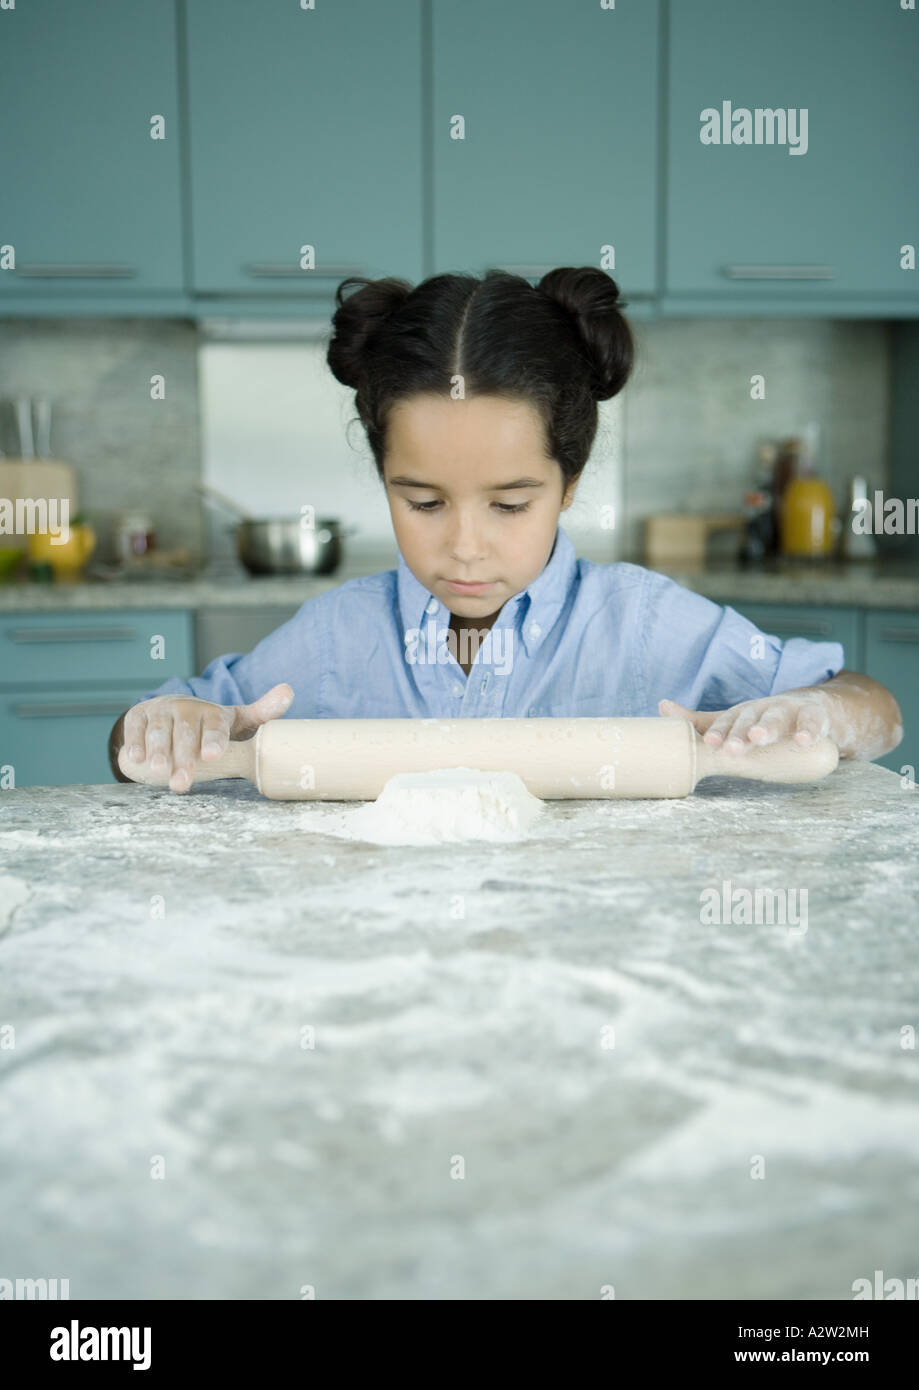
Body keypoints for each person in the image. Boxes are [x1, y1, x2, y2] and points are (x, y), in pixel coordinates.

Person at [108, 267, 903, 794]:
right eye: (422, 502)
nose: (463, 545)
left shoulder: (647, 625)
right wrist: (167, 729)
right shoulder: (333, 640)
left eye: (509, 503)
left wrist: (815, 713)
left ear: (569, 484)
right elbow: (139, 738)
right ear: (382, 478)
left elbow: (871, 706)